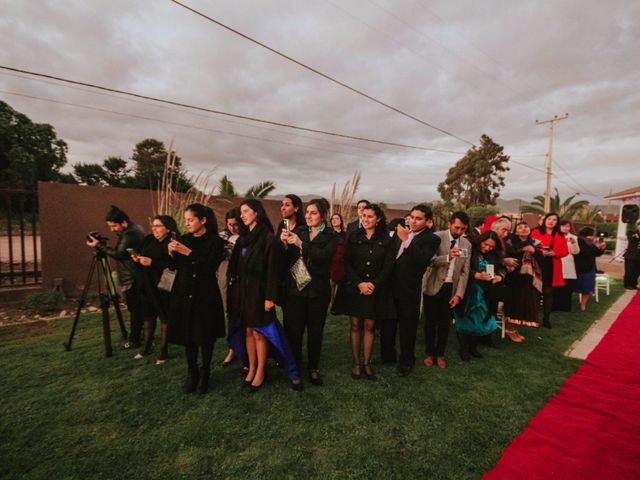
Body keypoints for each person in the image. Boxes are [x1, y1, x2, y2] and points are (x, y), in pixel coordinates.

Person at [227, 199, 302, 392]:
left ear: (257, 213)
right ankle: (251, 368)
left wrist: (270, 298)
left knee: (261, 333)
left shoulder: (268, 238)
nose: (241, 215)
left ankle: (261, 371)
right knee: (248, 332)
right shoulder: (243, 238)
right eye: (241, 212)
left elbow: (272, 272)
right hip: (244, 293)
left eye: (245, 211)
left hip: (260, 294)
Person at [168, 204, 226, 394]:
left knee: (205, 336)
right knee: (188, 336)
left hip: (205, 295)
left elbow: (209, 267)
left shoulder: (216, 242)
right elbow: (173, 266)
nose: (188, 224)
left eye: (191, 220)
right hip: (184, 294)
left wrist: (188, 253)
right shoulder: (184, 239)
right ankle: (192, 371)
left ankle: (205, 372)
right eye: (186, 220)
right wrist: (171, 253)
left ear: (203, 220)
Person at [280, 199, 338, 386]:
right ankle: (295, 368)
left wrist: (301, 244)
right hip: (296, 288)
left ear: (323, 215)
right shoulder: (300, 230)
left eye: (313, 213)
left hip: (318, 290)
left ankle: (313, 367)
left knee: (315, 331)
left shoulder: (331, 235)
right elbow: (287, 259)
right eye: (307, 212)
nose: (308, 216)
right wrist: (284, 244)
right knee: (294, 331)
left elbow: (324, 256)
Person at [336, 203, 395, 380]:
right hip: (355, 288)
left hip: (375, 289)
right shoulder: (353, 236)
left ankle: (367, 363)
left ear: (378, 219)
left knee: (370, 326)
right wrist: (359, 283)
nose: (366, 219)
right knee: (355, 325)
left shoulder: (386, 239)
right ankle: (356, 363)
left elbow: (388, 266)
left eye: (370, 216)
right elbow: (347, 263)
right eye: (364, 216)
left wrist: (373, 284)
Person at [387, 204, 440, 376]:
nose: (413, 221)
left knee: (407, 328)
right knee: (388, 323)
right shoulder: (400, 232)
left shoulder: (431, 239)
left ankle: (407, 361)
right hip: (390, 286)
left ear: (428, 222)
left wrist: (407, 240)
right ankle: (387, 356)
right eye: (412, 217)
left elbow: (422, 260)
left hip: (409, 290)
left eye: (419, 218)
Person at [86, 205, 145, 348]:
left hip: (131, 277)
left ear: (124, 222)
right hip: (136, 275)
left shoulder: (129, 234)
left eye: (114, 226)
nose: (112, 230)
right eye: (110, 226)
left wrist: (98, 245)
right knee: (137, 309)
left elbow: (119, 254)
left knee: (135, 310)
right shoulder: (136, 228)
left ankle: (134, 340)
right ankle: (141, 335)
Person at [422, 211, 471, 368]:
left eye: (463, 229)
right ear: (449, 224)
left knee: (445, 323)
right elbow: (429, 261)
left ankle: (440, 354)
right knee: (430, 322)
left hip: (451, 288)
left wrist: (459, 294)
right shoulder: (436, 237)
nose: (459, 232)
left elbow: (465, 272)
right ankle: (430, 353)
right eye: (457, 227)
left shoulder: (466, 244)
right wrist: (448, 257)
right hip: (433, 285)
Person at [130, 215, 178, 363]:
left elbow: (173, 266)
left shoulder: (172, 243)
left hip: (162, 286)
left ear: (168, 228)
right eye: (153, 225)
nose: (154, 228)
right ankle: (146, 347)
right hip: (146, 284)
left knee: (164, 317)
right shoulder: (149, 239)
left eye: (158, 226)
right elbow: (138, 252)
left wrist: (152, 262)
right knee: (148, 317)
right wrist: (136, 257)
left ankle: (163, 351)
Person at [454, 231, 505, 360]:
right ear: (480, 240)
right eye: (485, 244)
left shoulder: (495, 255)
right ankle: (464, 349)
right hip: (467, 290)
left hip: (485, 293)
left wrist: (500, 276)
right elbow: (458, 266)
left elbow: (501, 268)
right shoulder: (469, 248)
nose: (487, 248)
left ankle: (473, 347)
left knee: (479, 320)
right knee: (464, 320)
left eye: (492, 246)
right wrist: (476, 275)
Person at [504, 222, 544, 342]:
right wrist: (523, 248)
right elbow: (508, 254)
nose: (523, 229)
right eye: (520, 227)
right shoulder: (510, 242)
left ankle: (515, 330)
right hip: (514, 277)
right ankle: (510, 330)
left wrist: (533, 251)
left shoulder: (535, 243)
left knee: (524, 303)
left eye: (526, 226)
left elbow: (542, 259)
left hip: (529, 277)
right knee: (515, 303)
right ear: (516, 231)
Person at [531, 213, 568, 328]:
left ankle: (546, 318)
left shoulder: (560, 235)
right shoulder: (536, 232)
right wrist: (539, 251)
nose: (551, 221)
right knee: (536, 292)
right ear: (545, 220)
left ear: (557, 222)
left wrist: (555, 253)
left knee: (548, 292)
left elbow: (565, 251)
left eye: (554, 220)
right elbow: (530, 246)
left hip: (552, 266)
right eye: (549, 219)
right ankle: (534, 318)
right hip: (537, 264)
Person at [218, 207, 240, 367]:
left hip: (241, 278)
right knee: (230, 314)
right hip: (225, 277)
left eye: (235, 224)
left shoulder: (247, 236)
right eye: (230, 224)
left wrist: (236, 250)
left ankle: (242, 348)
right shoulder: (222, 236)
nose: (232, 227)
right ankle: (232, 348)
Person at [574, 227, 606, 311]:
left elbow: (595, 253)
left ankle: (583, 305)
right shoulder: (579, 240)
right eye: (593, 234)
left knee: (587, 287)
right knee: (575, 286)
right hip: (579, 267)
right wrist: (596, 247)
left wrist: (601, 249)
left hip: (590, 267)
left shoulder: (590, 242)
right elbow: (585, 252)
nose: (594, 236)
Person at [554, 220, 580, 312]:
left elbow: (576, 252)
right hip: (557, 260)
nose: (565, 228)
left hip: (568, 263)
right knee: (556, 286)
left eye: (567, 226)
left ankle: (565, 307)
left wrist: (573, 243)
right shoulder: (555, 235)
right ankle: (554, 306)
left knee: (567, 286)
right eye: (563, 226)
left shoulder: (573, 237)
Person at [329, 212, 346, 305]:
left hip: (342, 263)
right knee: (331, 285)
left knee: (341, 286)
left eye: (337, 218)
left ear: (341, 221)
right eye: (333, 219)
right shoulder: (328, 234)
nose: (334, 220)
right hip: (332, 263)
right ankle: (331, 304)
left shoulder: (346, 234)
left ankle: (339, 304)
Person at [623, 221, 640, 289]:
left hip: (639, 256)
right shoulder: (631, 232)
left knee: (637, 271)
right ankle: (627, 284)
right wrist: (636, 234)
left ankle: (633, 284)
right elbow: (630, 239)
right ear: (638, 226)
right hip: (630, 256)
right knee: (629, 271)